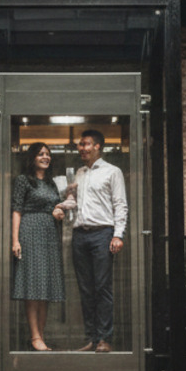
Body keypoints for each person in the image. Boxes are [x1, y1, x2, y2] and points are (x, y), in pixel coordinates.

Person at [71, 129, 127, 353]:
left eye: (85, 144)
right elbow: (74, 203)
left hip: (103, 233)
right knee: (85, 289)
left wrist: (118, 234)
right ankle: (92, 339)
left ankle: (105, 339)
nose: (81, 148)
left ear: (98, 147)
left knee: (102, 288)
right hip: (79, 235)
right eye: (80, 145)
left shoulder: (113, 172)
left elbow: (120, 204)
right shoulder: (79, 173)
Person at [11, 142, 66, 350]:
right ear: (32, 157)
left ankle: (40, 336)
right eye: (41, 154)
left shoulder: (52, 183)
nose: (46, 157)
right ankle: (35, 337)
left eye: (48, 154)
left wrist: (58, 212)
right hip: (30, 231)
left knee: (46, 287)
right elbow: (16, 210)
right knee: (32, 286)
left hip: (50, 234)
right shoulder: (24, 181)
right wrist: (15, 240)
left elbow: (56, 206)